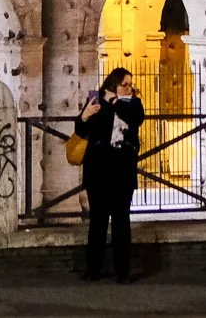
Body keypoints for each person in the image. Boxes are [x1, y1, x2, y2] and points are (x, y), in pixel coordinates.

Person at [76, 67, 145, 282]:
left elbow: (135, 119)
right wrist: (85, 116)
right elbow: (81, 130)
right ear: (113, 85)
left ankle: (122, 272)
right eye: (125, 85)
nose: (129, 88)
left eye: (130, 84)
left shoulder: (134, 104)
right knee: (97, 222)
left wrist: (113, 102)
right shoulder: (97, 102)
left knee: (121, 222)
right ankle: (93, 269)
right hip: (99, 171)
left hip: (122, 171)